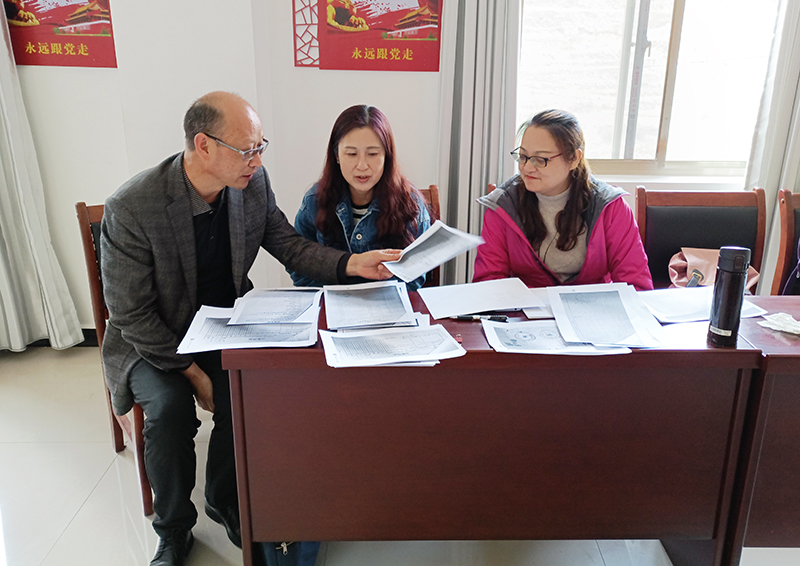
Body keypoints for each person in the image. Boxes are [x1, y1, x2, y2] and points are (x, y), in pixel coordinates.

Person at [100, 91, 400, 566]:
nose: (257, 162)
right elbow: (130, 314)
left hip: (224, 325)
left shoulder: (251, 185)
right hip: (154, 340)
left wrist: (351, 263)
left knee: (251, 393)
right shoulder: (133, 206)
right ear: (204, 145)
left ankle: (224, 499)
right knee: (170, 410)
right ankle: (173, 530)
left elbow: (290, 246)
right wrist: (191, 372)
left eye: (261, 148)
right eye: (247, 150)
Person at [473, 109, 653, 290]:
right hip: (525, 306)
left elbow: (635, 284)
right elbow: (489, 283)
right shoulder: (503, 206)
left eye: (540, 159)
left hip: (593, 304)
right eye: (523, 156)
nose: (527, 168)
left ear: (574, 158)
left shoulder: (611, 207)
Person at [290, 104, 431, 291]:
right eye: (351, 154)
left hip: (387, 305)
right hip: (331, 304)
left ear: (386, 156)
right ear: (337, 155)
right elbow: (299, 266)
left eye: (372, 154)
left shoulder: (410, 204)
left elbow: (415, 277)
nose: (362, 165)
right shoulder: (314, 202)